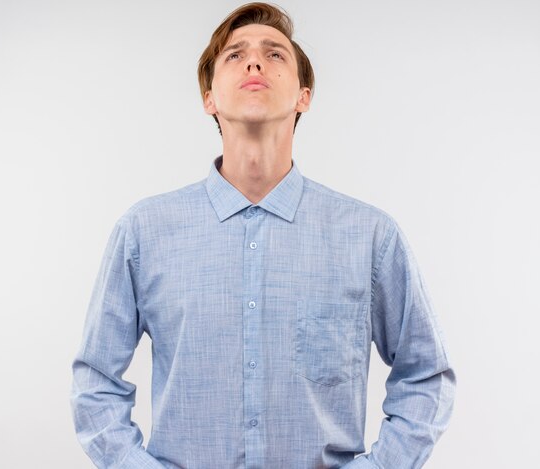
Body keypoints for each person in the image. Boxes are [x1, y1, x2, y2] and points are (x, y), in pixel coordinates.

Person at [70, 2, 456, 468]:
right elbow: (95, 383)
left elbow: (426, 375)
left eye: (275, 55)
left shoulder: (370, 237)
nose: (254, 61)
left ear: (303, 96)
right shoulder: (144, 232)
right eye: (234, 55)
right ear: (209, 98)